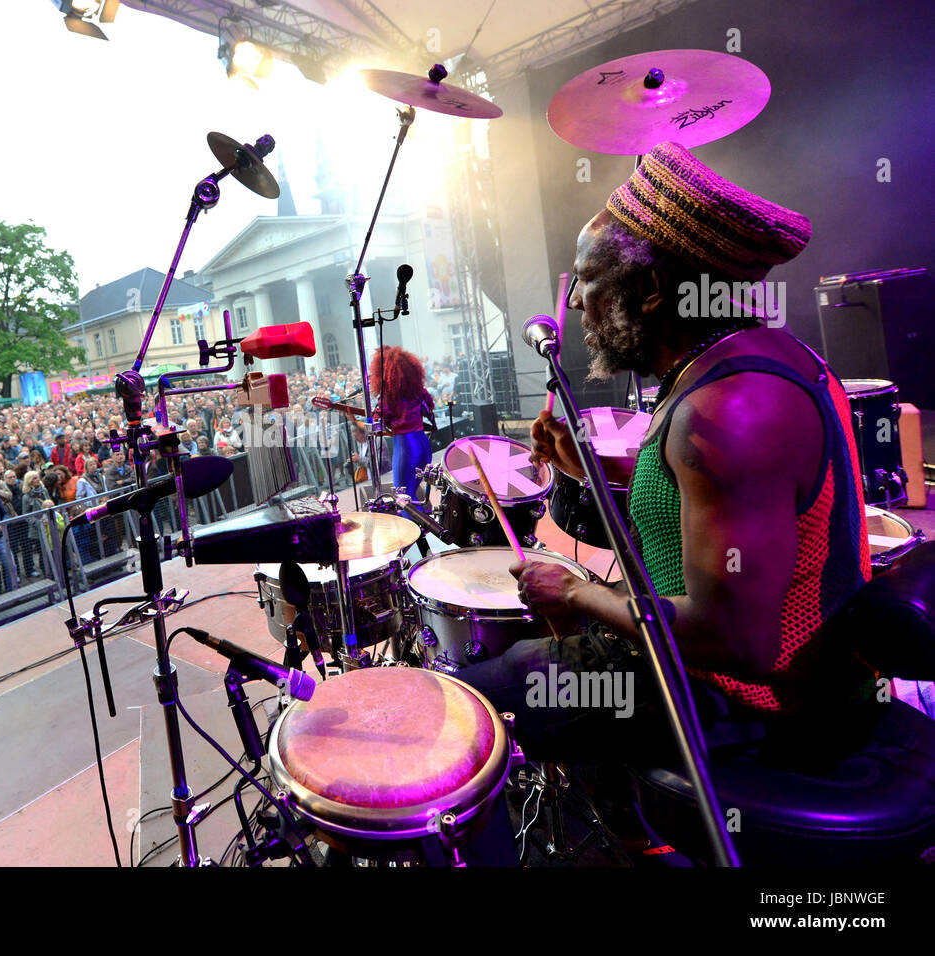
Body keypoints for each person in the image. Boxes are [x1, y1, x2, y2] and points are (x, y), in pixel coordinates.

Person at [458, 142, 876, 841]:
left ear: (651, 292)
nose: (576, 306)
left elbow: (737, 640)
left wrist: (577, 594)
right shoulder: (743, 361)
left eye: (588, 280)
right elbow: (695, 511)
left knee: (473, 703)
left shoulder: (731, 412)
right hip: (730, 675)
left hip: (756, 705)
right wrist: (584, 469)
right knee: (524, 662)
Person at [364, 345, 434, 501]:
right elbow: (429, 407)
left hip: (406, 447)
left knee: (403, 498)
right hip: (423, 443)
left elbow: (377, 421)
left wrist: (367, 418)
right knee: (412, 493)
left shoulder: (389, 397)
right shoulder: (418, 391)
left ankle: (416, 525)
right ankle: (423, 524)